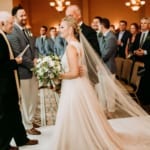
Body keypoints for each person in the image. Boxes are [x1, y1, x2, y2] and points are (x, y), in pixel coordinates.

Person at [47, 16, 150, 150]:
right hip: (77, 85)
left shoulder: (71, 48)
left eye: (62, 27)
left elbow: (74, 73)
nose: (59, 30)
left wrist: (55, 75)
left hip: (74, 86)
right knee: (83, 114)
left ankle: (80, 140)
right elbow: (78, 69)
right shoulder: (77, 44)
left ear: (71, 29)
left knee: (75, 113)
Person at [0, 11, 38, 150]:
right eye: (10, 23)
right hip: (3, 85)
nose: (12, 26)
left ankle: (21, 139)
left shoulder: (3, 35)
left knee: (14, 112)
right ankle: (3, 145)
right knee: (5, 116)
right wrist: (15, 62)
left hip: (9, 83)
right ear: (2, 23)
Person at [7, 5, 41, 135]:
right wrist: (33, 65)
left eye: (25, 15)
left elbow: (34, 47)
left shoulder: (27, 30)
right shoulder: (13, 33)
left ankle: (30, 121)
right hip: (23, 72)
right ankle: (27, 125)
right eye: (21, 15)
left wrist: (37, 59)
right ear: (15, 17)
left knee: (33, 98)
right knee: (26, 100)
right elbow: (18, 54)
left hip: (32, 69)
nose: (24, 17)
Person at [98, 18, 117, 118]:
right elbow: (99, 50)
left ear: (102, 26)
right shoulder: (102, 37)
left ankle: (111, 111)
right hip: (101, 67)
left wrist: (96, 60)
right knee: (102, 90)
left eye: (98, 25)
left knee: (109, 91)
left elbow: (106, 54)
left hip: (109, 68)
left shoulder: (111, 38)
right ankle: (104, 109)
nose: (98, 27)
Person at [134, 17, 150, 105]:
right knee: (138, 81)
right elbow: (133, 47)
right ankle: (139, 99)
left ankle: (146, 101)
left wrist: (144, 52)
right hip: (138, 61)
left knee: (146, 81)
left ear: (148, 24)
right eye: (142, 23)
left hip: (148, 62)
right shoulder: (138, 35)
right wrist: (135, 51)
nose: (143, 25)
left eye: (145, 23)